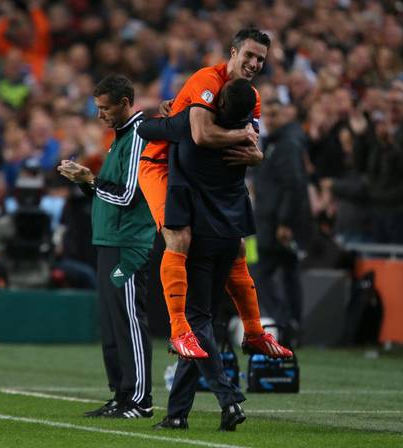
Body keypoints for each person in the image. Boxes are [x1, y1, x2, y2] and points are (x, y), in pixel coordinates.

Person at [138, 28, 291, 359]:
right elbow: (202, 134)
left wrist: (258, 153)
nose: (253, 63)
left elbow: (253, 145)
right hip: (160, 164)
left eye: (260, 59)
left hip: (197, 175)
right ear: (233, 52)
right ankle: (179, 331)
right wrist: (243, 138)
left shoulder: (251, 96)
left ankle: (253, 331)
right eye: (248, 55)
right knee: (178, 238)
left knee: (234, 246)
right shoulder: (207, 79)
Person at [139, 79, 261, 431]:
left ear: (218, 104)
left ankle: (228, 397)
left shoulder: (193, 133)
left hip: (200, 239)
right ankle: (177, 413)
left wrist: (177, 107)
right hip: (231, 240)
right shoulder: (245, 137)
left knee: (196, 321)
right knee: (202, 323)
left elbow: (149, 129)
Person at [57, 74, 154, 419]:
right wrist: (87, 181)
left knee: (128, 320)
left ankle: (140, 400)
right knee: (111, 324)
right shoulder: (121, 136)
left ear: (125, 103)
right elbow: (110, 193)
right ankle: (121, 395)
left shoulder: (140, 135)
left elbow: (128, 194)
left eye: (105, 108)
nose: (99, 115)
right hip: (110, 239)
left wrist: (91, 180)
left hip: (129, 243)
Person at [252, 99, 310, 333]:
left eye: (276, 114)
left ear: (287, 115)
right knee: (288, 274)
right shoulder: (273, 142)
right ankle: (291, 324)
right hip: (269, 221)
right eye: (268, 115)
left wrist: (285, 222)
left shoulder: (287, 144)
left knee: (260, 271)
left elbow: (293, 184)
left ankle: (282, 320)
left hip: (276, 224)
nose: (271, 119)